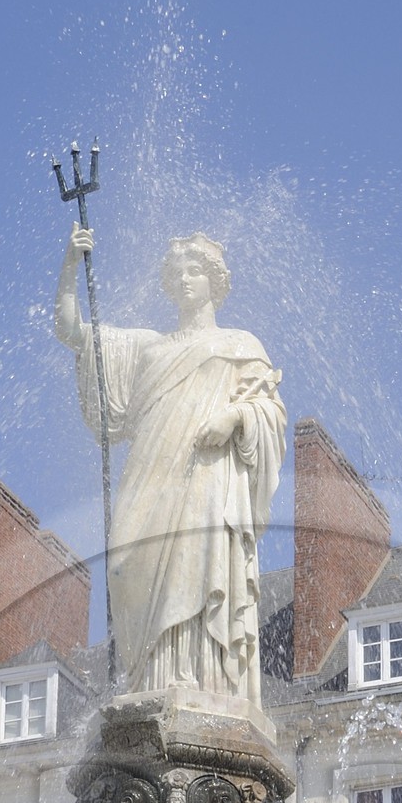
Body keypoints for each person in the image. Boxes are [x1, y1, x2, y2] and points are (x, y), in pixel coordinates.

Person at [55, 228, 285, 706]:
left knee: (198, 569)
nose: (185, 280)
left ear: (215, 281)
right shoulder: (149, 348)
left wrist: (235, 416)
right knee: (123, 568)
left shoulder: (240, 345)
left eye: (195, 271)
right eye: (176, 272)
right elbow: (73, 331)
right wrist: (70, 266)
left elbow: (272, 416)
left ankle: (206, 682)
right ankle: (148, 681)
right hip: (149, 482)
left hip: (206, 480)